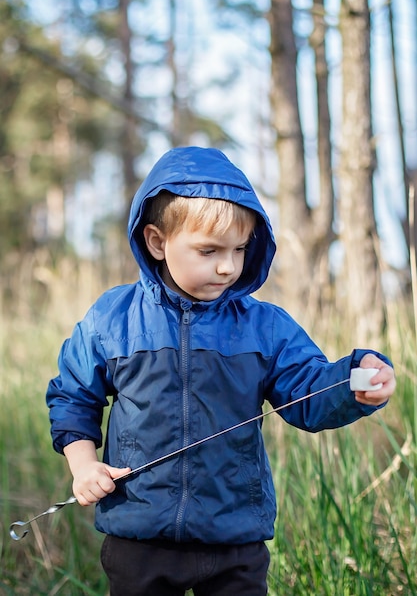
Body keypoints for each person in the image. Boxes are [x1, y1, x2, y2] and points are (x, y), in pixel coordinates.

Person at [46, 146, 396, 596]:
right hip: (140, 535)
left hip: (235, 539)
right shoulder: (114, 318)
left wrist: (353, 384)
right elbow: (73, 395)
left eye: (238, 248)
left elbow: (307, 392)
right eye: (208, 250)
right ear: (157, 242)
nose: (228, 266)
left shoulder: (264, 327)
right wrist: (83, 464)